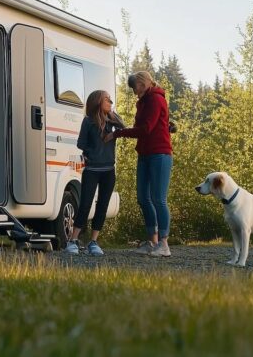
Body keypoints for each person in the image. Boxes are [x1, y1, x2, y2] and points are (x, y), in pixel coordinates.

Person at [106, 71, 173, 257]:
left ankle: (164, 244)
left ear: (143, 84)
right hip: (145, 153)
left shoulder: (155, 99)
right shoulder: (144, 101)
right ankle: (152, 241)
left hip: (160, 154)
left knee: (158, 198)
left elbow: (146, 129)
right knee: (143, 198)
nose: (134, 92)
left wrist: (118, 133)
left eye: (135, 87)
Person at [66, 90, 123, 255]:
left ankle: (94, 241)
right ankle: (73, 240)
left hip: (108, 171)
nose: (111, 102)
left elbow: (124, 128)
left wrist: (112, 123)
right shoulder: (88, 121)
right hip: (92, 170)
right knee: (85, 204)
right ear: (98, 102)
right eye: (107, 100)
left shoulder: (112, 122)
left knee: (102, 206)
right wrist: (92, 153)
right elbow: (80, 143)